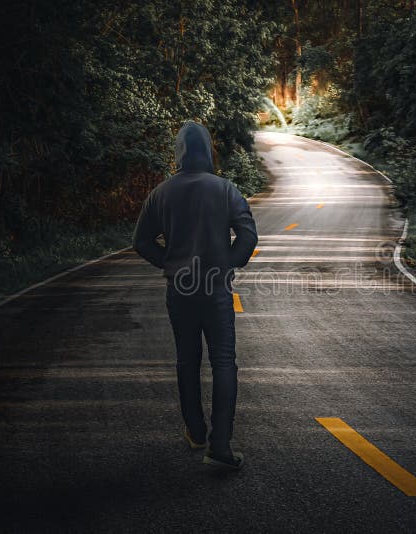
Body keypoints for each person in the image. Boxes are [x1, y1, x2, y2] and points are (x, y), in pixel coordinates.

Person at [133, 121, 257, 470]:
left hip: (180, 291)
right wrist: (228, 265)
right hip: (216, 290)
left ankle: (196, 431)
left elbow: (141, 242)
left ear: (179, 152)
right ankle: (220, 447)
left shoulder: (161, 193)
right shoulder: (225, 190)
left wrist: (169, 264)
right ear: (208, 150)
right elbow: (248, 236)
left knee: (187, 360)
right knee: (223, 362)